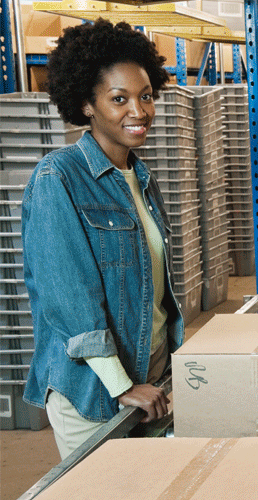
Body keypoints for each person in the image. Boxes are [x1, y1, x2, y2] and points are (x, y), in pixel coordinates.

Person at [22, 19, 182, 459]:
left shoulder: (141, 178)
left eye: (146, 96)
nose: (139, 110)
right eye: (119, 99)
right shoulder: (58, 178)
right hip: (95, 388)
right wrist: (123, 385)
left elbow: (156, 291)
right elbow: (68, 300)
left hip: (150, 373)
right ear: (87, 105)